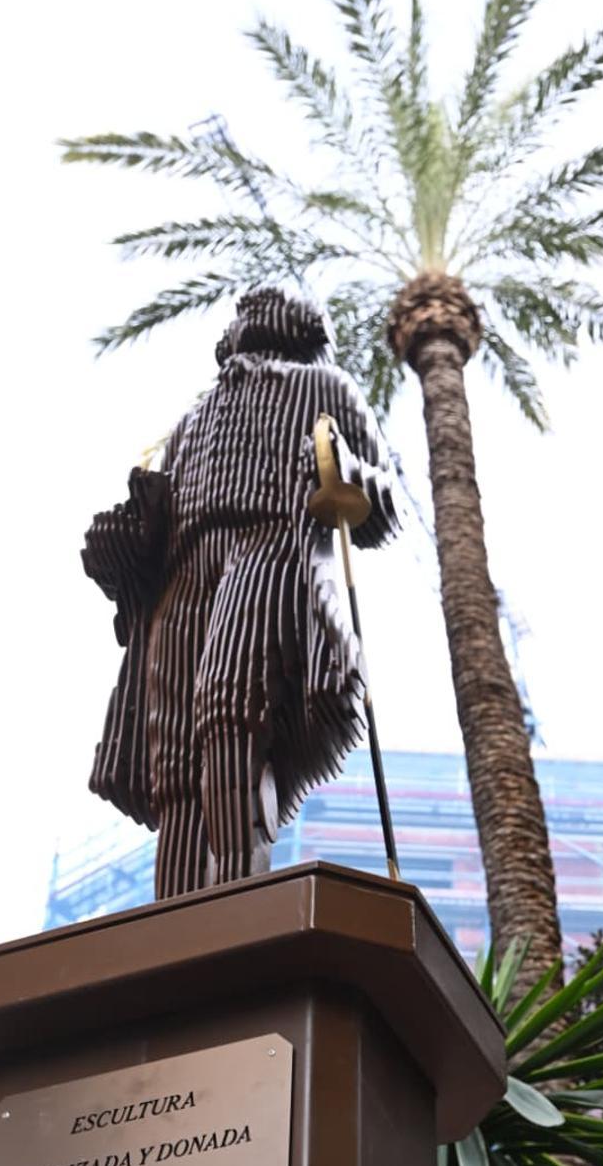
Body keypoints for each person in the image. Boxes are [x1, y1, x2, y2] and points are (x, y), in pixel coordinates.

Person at [82, 283, 398, 898]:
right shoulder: (191, 422)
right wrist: (123, 537)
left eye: (265, 303)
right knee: (168, 750)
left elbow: (382, 498)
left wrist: (345, 474)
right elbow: (153, 519)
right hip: (179, 575)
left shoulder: (324, 389)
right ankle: (170, 917)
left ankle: (234, 897)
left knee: (231, 710)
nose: (249, 311)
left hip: (268, 548)